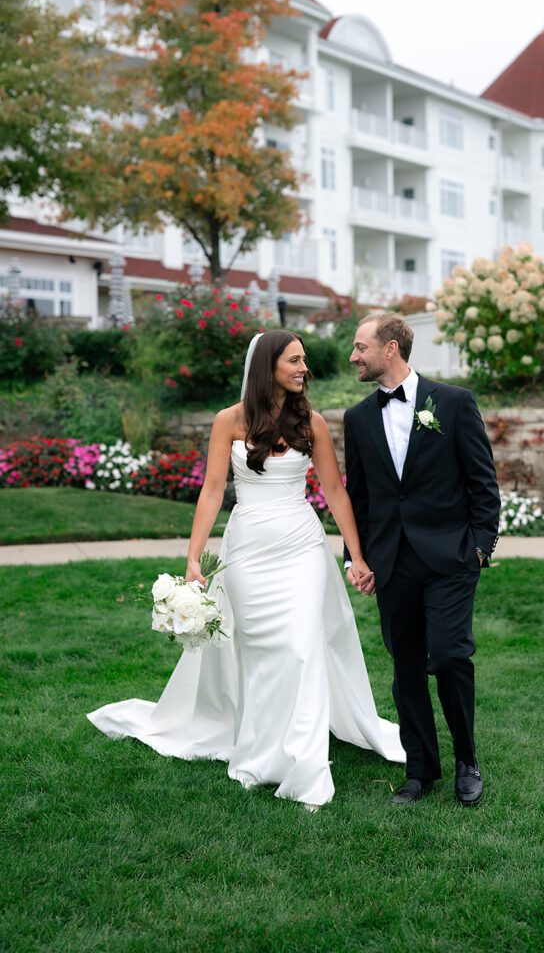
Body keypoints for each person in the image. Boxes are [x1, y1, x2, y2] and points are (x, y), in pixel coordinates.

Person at [88, 331, 405, 810]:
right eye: (295, 360)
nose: (305, 369)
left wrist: (356, 557)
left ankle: (303, 761)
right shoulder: (228, 421)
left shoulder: (312, 422)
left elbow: (336, 494)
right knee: (257, 653)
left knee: (300, 648)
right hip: (248, 551)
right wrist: (194, 557)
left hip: (300, 546)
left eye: (305, 361)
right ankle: (260, 749)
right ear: (267, 365)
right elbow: (213, 491)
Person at [343, 313, 500, 806]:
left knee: (451, 655)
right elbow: (359, 498)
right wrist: (358, 557)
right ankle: (420, 771)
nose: (354, 356)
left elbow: (483, 484)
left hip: (450, 557)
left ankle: (467, 761)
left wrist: (479, 547)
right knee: (405, 667)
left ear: (390, 349)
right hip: (392, 562)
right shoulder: (356, 419)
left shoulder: (453, 403)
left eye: (360, 347)